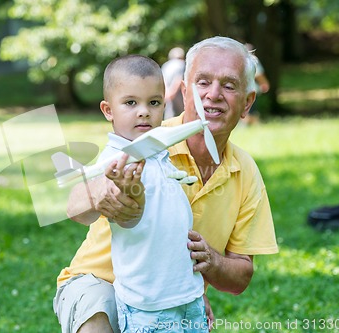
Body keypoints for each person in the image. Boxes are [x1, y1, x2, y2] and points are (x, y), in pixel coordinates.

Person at [54, 36, 279, 333]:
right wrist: (103, 193)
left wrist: (208, 265)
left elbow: (240, 276)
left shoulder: (245, 171)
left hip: (170, 297)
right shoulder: (149, 137)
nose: (213, 94)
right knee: (98, 321)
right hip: (98, 280)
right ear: (184, 92)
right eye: (202, 82)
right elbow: (76, 203)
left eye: (228, 85)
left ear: (247, 102)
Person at [67, 54, 207, 333]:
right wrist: (126, 191)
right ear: (108, 110)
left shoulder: (158, 152)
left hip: (184, 293)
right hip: (148, 304)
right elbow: (127, 219)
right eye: (131, 103)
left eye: (153, 103)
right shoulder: (117, 163)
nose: (144, 111)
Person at [242, 43, 270, 125]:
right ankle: (251, 124)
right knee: (251, 110)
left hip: (239, 90)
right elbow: (259, 74)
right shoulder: (252, 60)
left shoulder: (236, 61)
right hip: (251, 90)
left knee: (246, 109)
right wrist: (264, 84)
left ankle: (247, 124)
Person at [162, 47, 186, 119]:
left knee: (169, 117)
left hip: (167, 95)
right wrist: (172, 93)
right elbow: (178, 80)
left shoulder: (165, 65)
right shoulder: (181, 64)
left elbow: (163, 80)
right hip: (179, 96)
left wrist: (167, 93)